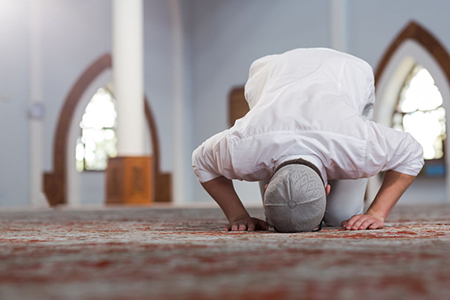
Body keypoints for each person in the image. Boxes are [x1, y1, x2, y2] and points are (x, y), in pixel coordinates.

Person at [192, 48, 424, 233]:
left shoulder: (357, 144)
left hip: (348, 70)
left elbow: (411, 153)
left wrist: (377, 213)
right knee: (288, 210)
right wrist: (238, 215)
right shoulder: (245, 148)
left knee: (341, 215)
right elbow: (200, 161)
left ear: (327, 189)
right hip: (271, 72)